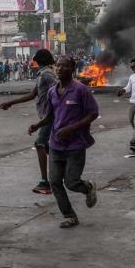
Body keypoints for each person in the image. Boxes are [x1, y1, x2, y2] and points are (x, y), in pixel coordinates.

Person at [29, 57, 99, 228]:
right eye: (58, 66)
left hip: (75, 145)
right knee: (54, 182)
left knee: (71, 182)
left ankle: (88, 187)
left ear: (73, 69)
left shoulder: (81, 90)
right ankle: (69, 215)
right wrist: (37, 125)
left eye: (65, 66)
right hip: (55, 144)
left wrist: (72, 128)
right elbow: (51, 115)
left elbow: (93, 113)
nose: (60, 69)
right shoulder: (53, 91)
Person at [0, 49, 58, 195]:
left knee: (39, 144)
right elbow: (33, 94)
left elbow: (58, 91)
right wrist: (11, 102)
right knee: (48, 147)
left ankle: (46, 182)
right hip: (46, 116)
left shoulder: (47, 74)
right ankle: (59, 174)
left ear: (38, 60)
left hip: (50, 117)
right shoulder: (42, 74)